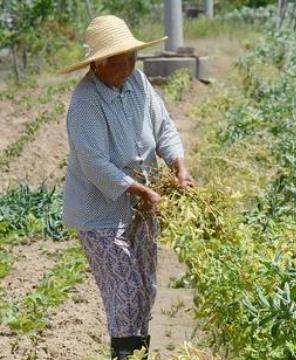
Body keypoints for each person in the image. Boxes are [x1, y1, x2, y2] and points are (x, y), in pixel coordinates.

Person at [59, 15, 195, 359]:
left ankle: (138, 353)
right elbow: (95, 164)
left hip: (142, 206)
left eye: (131, 57)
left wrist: (179, 165)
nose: (127, 66)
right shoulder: (86, 102)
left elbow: (164, 128)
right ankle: (125, 354)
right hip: (100, 213)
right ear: (97, 64)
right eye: (118, 61)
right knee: (125, 291)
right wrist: (142, 191)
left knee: (146, 287)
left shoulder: (140, 83)